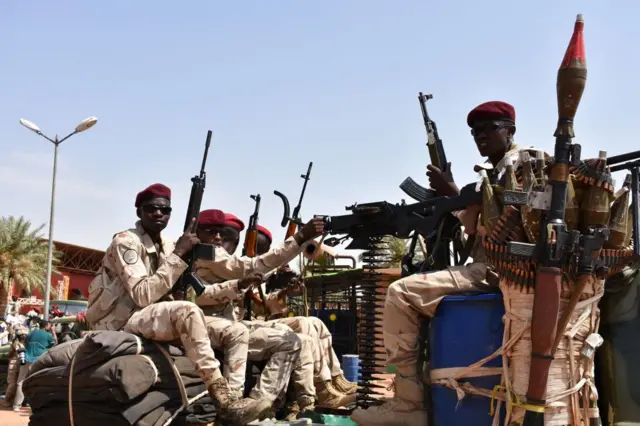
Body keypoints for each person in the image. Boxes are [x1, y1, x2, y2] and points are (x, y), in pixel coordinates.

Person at [351, 101, 541, 426]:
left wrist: (450, 191)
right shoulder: (492, 172)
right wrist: (449, 195)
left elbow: (509, 219)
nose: (480, 136)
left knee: (400, 293)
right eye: (475, 132)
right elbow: (470, 223)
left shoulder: (523, 162)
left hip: (504, 268)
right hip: (495, 265)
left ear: (510, 130)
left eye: (489, 129)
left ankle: (408, 406)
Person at [85, 183, 269, 425]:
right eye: (152, 209)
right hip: (119, 320)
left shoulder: (165, 244)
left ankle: (234, 400)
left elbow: (186, 290)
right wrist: (178, 256)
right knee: (187, 310)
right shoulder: (126, 241)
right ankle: (222, 398)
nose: (159, 214)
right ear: (139, 211)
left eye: (165, 210)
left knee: (233, 330)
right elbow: (142, 294)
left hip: (143, 315)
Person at [194, 210, 345, 416]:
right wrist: (300, 237)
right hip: (216, 325)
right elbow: (252, 272)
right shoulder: (210, 257)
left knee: (308, 328)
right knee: (292, 340)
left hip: (235, 321)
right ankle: (261, 405)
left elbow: (258, 303)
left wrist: (283, 290)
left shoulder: (226, 262)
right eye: (213, 233)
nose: (220, 240)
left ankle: (316, 393)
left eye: (226, 236)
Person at [13, 319, 56, 411]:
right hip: (38, 360)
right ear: (46, 326)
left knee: (20, 382)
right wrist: (53, 331)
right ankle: (34, 404)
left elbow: (26, 343)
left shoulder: (32, 332)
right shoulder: (48, 335)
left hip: (26, 358)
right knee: (37, 381)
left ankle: (16, 405)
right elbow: (55, 344)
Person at [1, 328, 27, 408]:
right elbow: (14, 353)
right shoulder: (16, 343)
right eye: (23, 335)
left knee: (21, 383)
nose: (24, 336)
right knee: (12, 384)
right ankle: (7, 400)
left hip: (22, 365)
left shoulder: (27, 343)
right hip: (14, 364)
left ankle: (18, 401)